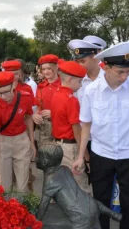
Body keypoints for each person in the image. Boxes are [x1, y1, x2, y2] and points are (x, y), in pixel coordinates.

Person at [72, 41, 129, 229]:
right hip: (101, 153)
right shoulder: (90, 91)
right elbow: (86, 125)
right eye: (119, 72)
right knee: (101, 200)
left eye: (128, 72)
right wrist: (81, 156)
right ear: (105, 67)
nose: (124, 77)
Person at [36, 144, 122, 228]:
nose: (35, 158)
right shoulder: (65, 169)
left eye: (37, 156)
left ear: (44, 162)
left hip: (81, 216)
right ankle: (112, 214)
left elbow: (43, 206)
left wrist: (35, 221)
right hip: (91, 204)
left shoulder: (51, 181)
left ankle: (112, 214)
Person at [0, 71, 36, 192]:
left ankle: (23, 209)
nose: (3, 97)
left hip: (21, 141)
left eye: (6, 92)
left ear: (13, 85)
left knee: (22, 186)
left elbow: (29, 117)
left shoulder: (24, 97)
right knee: (5, 186)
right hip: (3, 143)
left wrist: (32, 142)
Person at [50, 60, 92, 194]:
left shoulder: (56, 94)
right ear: (69, 79)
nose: (80, 86)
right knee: (81, 187)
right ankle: (87, 213)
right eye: (79, 82)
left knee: (64, 185)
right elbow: (77, 131)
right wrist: (85, 155)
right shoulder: (71, 100)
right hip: (70, 148)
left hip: (58, 144)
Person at [33, 54, 61, 145]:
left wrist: (53, 113)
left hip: (60, 127)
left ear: (56, 67)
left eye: (49, 68)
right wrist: (35, 115)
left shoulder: (64, 85)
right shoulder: (40, 87)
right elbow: (38, 107)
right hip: (44, 129)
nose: (46, 72)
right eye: (43, 69)